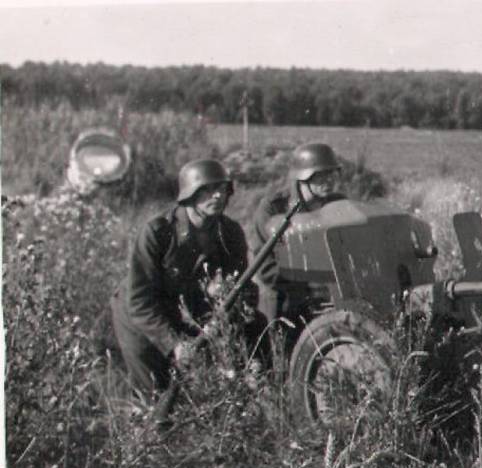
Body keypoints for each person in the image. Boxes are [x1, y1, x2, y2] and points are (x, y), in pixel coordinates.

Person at [110, 158, 259, 410]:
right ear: (190, 194)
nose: (218, 195)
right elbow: (140, 301)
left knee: (194, 394)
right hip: (141, 318)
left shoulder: (230, 232)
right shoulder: (158, 232)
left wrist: (234, 311)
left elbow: (243, 286)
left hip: (187, 312)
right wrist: (173, 344)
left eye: (222, 189)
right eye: (207, 190)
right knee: (153, 397)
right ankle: (142, 429)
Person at [252, 143, 346, 327]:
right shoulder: (273, 208)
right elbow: (266, 268)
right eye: (321, 175)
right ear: (303, 176)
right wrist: (308, 283)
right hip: (286, 300)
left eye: (332, 174)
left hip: (330, 297)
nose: (329, 180)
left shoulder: (339, 204)